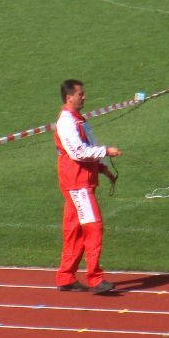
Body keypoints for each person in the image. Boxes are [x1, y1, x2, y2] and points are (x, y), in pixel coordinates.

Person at [54, 80, 121, 294]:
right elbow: (78, 152)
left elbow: (85, 149)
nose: (84, 97)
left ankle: (65, 277)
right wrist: (106, 152)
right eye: (80, 94)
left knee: (73, 231)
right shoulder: (67, 123)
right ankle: (95, 278)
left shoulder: (77, 120)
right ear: (69, 97)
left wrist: (101, 168)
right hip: (77, 184)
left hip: (79, 181)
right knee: (93, 228)